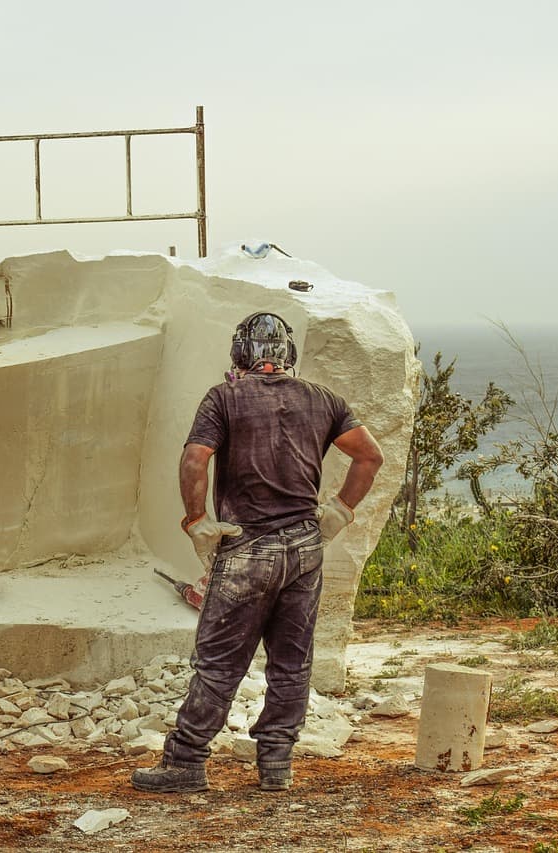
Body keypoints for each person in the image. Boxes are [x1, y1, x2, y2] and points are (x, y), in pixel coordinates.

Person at [131, 312, 383, 794]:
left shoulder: (224, 398)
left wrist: (196, 522)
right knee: (291, 662)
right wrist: (340, 511)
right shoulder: (323, 400)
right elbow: (370, 455)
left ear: (240, 353)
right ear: (288, 355)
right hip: (306, 548)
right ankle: (275, 765)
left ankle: (185, 763)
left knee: (219, 662)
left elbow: (194, 458)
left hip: (248, 548)